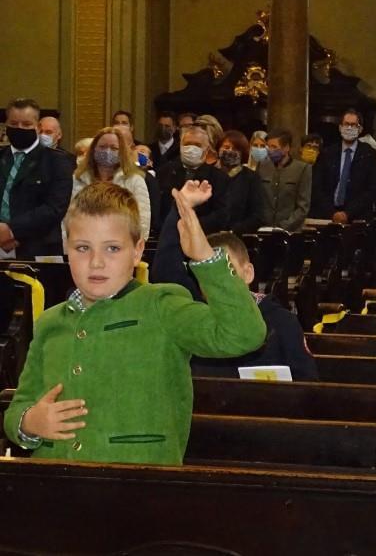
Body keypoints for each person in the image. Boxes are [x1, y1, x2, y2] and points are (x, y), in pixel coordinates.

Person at [3, 181, 266, 465]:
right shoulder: (50, 322)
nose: (96, 262)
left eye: (113, 248)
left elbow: (244, 334)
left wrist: (205, 258)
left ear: (138, 250)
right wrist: (29, 422)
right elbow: (19, 406)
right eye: (82, 248)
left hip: (138, 485)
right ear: (67, 247)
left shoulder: (162, 306)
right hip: (55, 483)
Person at [150, 190, 317, 382]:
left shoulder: (281, 321)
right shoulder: (198, 317)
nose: (217, 278)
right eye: (207, 271)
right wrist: (179, 208)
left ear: (248, 273)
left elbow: (308, 383)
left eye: (227, 269)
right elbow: (166, 269)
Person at [0, 98, 74, 259]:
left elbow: (55, 208)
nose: (19, 128)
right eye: (14, 124)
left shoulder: (57, 161)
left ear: (37, 127)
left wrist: (11, 230)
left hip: (37, 249)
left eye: (26, 124)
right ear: (6, 125)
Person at [71, 127, 152, 240]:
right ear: (93, 149)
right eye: (102, 147)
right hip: (83, 242)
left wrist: (135, 246)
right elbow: (67, 218)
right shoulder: (78, 178)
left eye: (114, 148)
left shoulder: (134, 180)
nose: (107, 151)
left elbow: (142, 221)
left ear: (122, 152)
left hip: (121, 243)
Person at [155, 126, 230, 233]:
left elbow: (221, 214)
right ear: (180, 146)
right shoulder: (164, 172)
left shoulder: (219, 178)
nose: (191, 148)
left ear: (206, 150)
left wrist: (192, 226)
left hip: (204, 235)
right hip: (168, 233)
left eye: (197, 145)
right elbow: (157, 208)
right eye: (187, 144)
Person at [311, 109, 376, 223]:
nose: (349, 128)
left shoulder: (369, 154)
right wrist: (332, 213)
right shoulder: (327, 153)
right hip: (328, 216)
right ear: (340, 127)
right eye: (346, 124)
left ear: (360, 129)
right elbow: (317, 187)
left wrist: (347, 213)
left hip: (357, 218)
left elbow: (372, 190)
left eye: (353, 125)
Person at [258, 129, 312, 232]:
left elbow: (303, 207)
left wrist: (283, 226)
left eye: (274, 147)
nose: (270, 150)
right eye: (268, 147)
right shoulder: (262, 166)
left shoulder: (302, 169)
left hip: (290, 232)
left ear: (286, 148)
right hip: (264, 229)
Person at [217, 130, 264, 235]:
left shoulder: (251, 178)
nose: (230, 151)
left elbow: (257, 216)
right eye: (226, 147)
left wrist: (233, 231)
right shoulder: (211, 175)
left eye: (235, 149)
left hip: (239, 237)